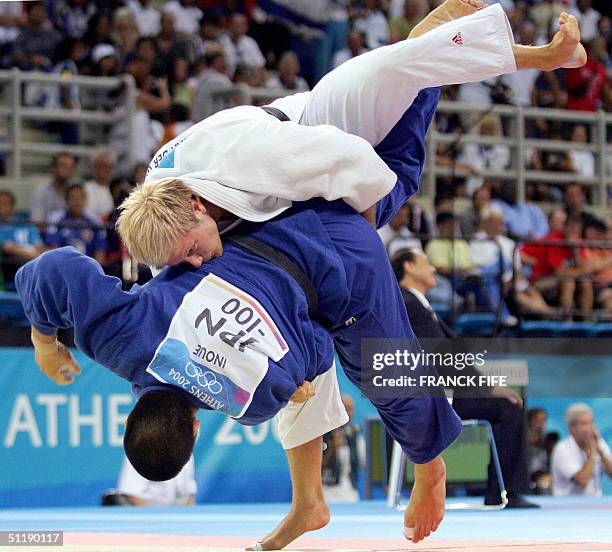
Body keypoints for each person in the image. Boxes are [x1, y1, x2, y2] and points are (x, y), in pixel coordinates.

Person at [17, 87, 463, 549]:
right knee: (390, 178)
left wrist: (295, 381)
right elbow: (53, 269)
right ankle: (424, 67)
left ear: (195, 431)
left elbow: (317, 345)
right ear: (128, 422)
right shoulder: (117, 338)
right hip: (267, 216)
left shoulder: (252, 401)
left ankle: (429, 469)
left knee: (383, 369)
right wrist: (46, 341)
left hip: (342, 264)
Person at [117, 2, 587, 271]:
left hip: (308, 127)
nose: (195, 261)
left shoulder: (244, 161)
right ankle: (444, 30)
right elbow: (163, 268)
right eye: (185, 259)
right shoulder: (164, 228)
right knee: (400, 72)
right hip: (289, 128)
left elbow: (351, 158)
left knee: (394, 69)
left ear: (198, 207)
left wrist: (360, 237)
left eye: (192, 250)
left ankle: (545, 56)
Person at [392, 247, 538, 508]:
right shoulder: (409, 304)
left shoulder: (418, 305)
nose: (434, 268)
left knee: (507, 405)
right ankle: (505, 492)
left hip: (434, 391)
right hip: (428, 397)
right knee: (508, 407)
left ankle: (501, 490)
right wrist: (490, 388)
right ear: (409, 267)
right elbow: (442, 357)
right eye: (426, 262)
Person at [551, 403, 612, 497]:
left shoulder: (599, 443)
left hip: (596, 504)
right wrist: (592, 454)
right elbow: (582, 481)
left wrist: (601, 453)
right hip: (567, 505)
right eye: (584, 423)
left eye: (591, 422)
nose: (590, 428)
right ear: (571, 428)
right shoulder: (562, 449)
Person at [44, 184, 106, 265]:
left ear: (85, 199)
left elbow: (100, 252)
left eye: (80, 198)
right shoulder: (55, 219)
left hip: (89, 268)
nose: (77, 201)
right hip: (63, 266)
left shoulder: (95, 221)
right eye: (72, 198)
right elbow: (53, 250)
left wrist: (93, 272)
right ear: (66, 200)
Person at [104, 454, 197, 506]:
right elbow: (132, 496)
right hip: (147, 520)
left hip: (176, 519)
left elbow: (189, 497)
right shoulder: (140, 449)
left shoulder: (187, 453)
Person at [30, 153, 77, 224]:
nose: (67, 170)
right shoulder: (40, 192)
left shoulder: (77, 193)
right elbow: (37, 223)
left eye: (70, 167)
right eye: (63, 166)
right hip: (47, 233)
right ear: (52, 168)